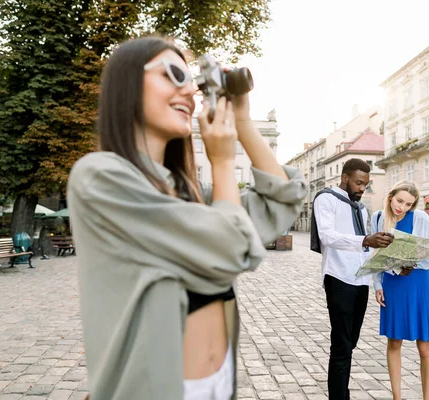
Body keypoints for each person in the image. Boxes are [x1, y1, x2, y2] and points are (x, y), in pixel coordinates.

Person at [66, 36, 307, 400]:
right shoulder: (100, 178)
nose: (189, 91)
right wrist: (224, 163)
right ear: (127, 82)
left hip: (214, 386)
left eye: (192, 82)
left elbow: (282, 201)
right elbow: (227, 248)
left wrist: (241, 120)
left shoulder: (188, 193)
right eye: (174, 74)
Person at [312, 158, 394, 399]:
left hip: (361, 281)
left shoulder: (361, 208)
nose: (362, 189)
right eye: (359, 183)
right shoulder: (326, 199)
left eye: (365, 185)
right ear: (345, 178)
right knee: (341, 347)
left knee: (350, 344)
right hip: (338, 279)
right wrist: (365, 240)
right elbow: (327, 236)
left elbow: (365, 249)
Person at [371, 180, 429, 400]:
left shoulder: (420, 218)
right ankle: (397, 397)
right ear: (390, 196)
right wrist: (377, 285)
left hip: (419, 284)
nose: (401, 207)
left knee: (425, 347)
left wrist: (417, 256)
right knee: (394, 342)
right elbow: (375, 255)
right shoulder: (377, 218)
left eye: (407, 204)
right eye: (399, 201)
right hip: (393, 285)